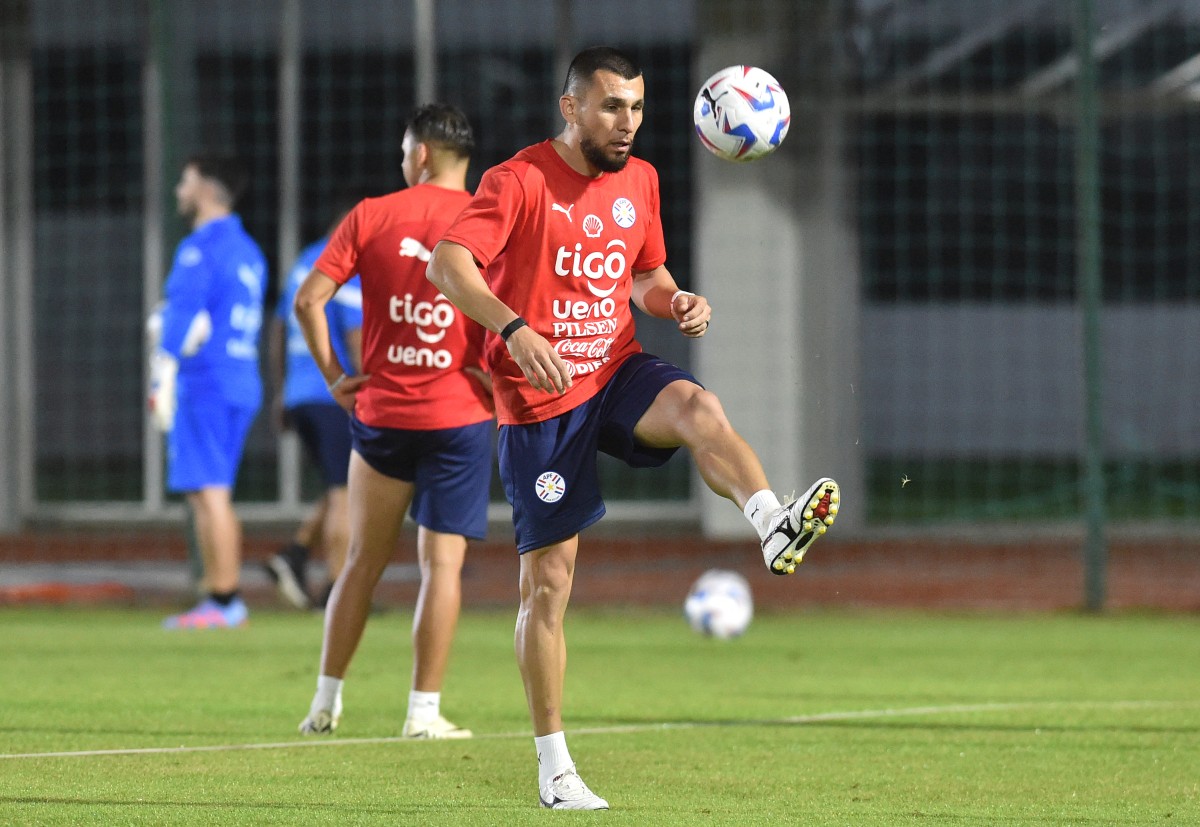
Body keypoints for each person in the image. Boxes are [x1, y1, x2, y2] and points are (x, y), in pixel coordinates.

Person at [426, 46, 841, 810]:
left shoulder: (640, 181)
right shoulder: (517, 181)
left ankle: (772, 524)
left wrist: (677, 302)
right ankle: (555, 766)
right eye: (613, 106)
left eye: (639, 108)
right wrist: (514, 329)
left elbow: (645, 275)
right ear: (571, 107)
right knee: (548, 585)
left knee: (699, 408)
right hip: (539, 400)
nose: (628, 123)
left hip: (613, 370)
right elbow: (450, 266)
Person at [293, 103, 494, 740]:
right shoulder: (490, 220)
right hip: (459, 416)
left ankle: (324, 704)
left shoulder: (373, 214)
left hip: (381, 415)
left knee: (360, 561)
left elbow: (309, 300)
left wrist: (333, 377)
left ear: (422, 155)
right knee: (441, 568)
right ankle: (423, 714)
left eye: (405, 152)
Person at [149, 153, 267, 630]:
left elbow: (180, 318)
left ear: (204, 187)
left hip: (206, 381)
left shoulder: (200, 248)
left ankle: (221, 600)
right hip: (241, 377)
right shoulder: (248, 250)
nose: (180, 187)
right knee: (216, 491)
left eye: (185, 178)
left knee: (208, 494)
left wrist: (162, 372)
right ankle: (225, 597)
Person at [264, 203, 364, 610]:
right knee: (346, 490)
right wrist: (371, 389)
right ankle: (338, 590)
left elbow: (280, 327)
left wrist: (281, 390)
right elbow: (355, 331)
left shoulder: (305, 260)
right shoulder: (346, 263)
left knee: (346, 481)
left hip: (301, 394)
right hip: (334, 393)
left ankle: (296, 552)